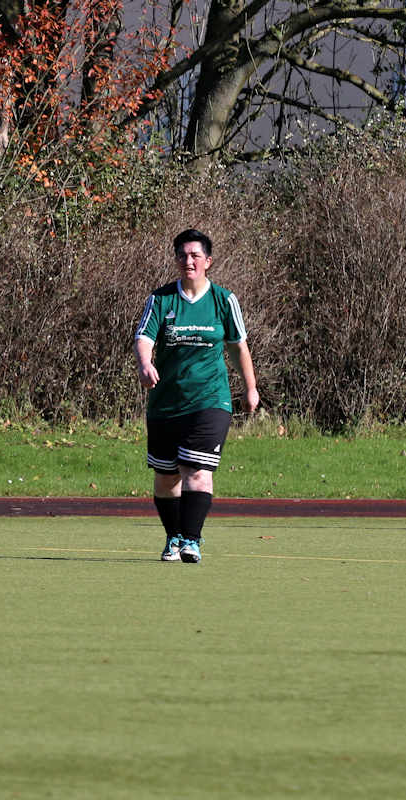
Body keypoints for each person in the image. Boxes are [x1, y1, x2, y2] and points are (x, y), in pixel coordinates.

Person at [133, 229, 260, 563]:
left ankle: (192, 540)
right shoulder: (161, 300)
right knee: (166, 479)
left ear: (208, 261)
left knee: (198, 471)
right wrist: (145, 364)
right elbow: (144, 337)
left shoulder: (223, 300)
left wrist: (250, 387)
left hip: (210, 400)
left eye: (195, 255)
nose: (188, 261)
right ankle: (173, 536)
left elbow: (237, 346)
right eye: (182, 255)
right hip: (165, 404)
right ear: (176, 260)